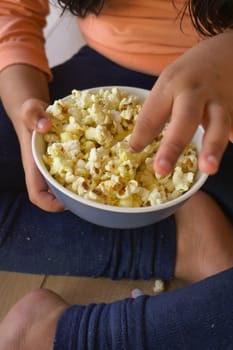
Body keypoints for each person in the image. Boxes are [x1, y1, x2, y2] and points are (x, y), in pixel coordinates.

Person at [0, 0, 232, 349]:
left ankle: (71, 338)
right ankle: (175, 242)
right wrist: (24, 111)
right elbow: (12, 9)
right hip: (111, 81)